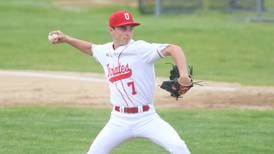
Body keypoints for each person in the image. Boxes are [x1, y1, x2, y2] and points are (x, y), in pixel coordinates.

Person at [49, 10, 191, 154]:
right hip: (119, 120)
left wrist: (184, 76)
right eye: (123, 28)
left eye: (131, 29)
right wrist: (66, 39)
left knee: (178, 147)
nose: (128, 32)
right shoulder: (105, 51)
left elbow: (173, 49)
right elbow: (89, 48)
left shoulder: (141, 49)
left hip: (147, 118)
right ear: (111, 30)